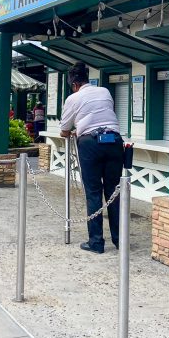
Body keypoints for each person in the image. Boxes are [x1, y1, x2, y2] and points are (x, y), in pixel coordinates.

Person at [60, 62, 124, 254]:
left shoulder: (73, 98)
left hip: (91, 143)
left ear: (74, 84)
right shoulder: (104, 91)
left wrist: (74, 130)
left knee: (94, 192)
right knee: (114, 191)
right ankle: (119, 239)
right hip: (114, 141)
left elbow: (64, 130)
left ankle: (96, 242)